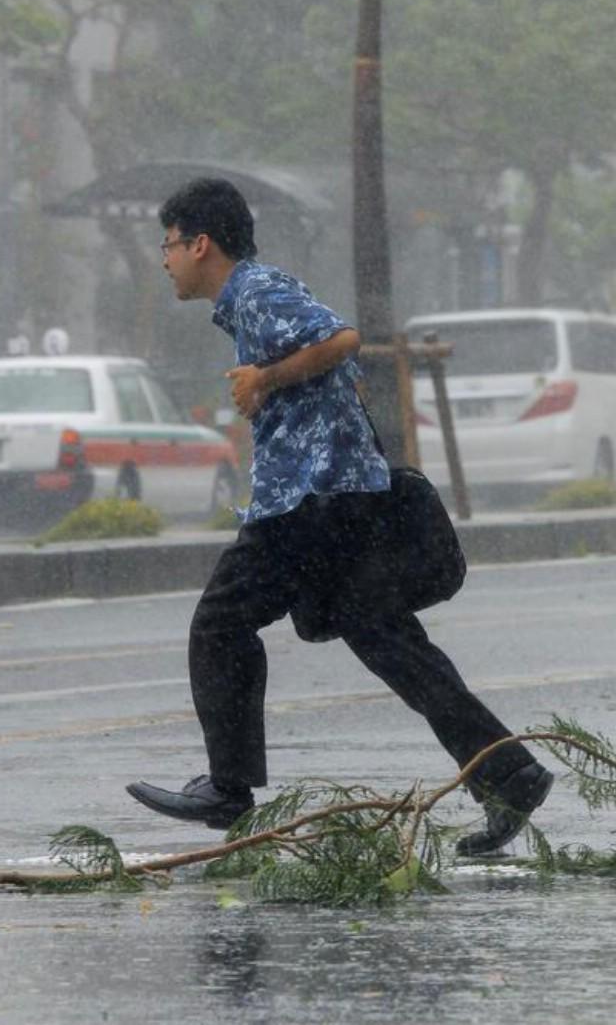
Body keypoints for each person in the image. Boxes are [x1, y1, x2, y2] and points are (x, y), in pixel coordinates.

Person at [126, 177, 552, 855]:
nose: (165, 258)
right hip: (339, 493)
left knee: (220, 622)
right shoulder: (254, 300)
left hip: (309, 500)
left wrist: (264, 379)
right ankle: (509, 773)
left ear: (199, 243)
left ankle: (228, 787)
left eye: (169, 244)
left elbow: (343, 339)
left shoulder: (257, 293)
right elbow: (332, 362)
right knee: (384, 638)